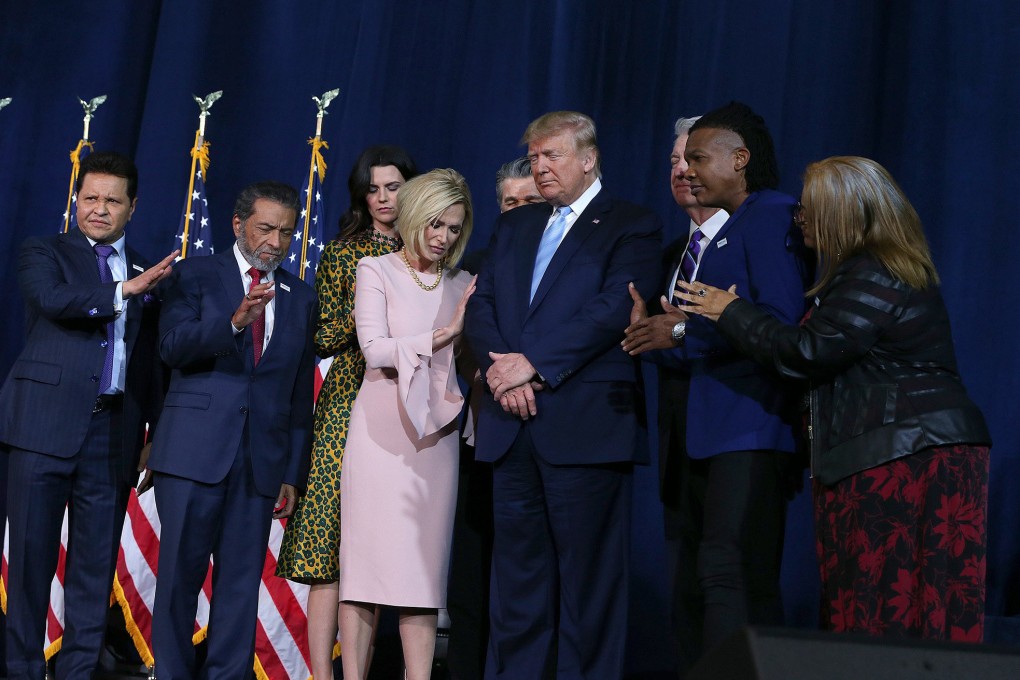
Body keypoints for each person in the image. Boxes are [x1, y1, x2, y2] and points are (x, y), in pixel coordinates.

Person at [674, 156, 991, 642]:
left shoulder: (879, 271)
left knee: (892, 602)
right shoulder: (859, 274)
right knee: (867, 600)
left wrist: (731, 310)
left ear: (842, 213)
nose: (797, 219)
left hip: (909, 455)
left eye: (808, 210)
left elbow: (810, 352)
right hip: (882, 452)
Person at [466, 111, 662, 679]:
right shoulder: (516, 225)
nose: (540, 166)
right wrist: (504, 372)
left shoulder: (632, 223)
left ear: (587, 157)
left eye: (551, 155)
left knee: (589, 587)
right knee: (517, 584)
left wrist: (535, 366)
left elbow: (611, 309)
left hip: (584, 426)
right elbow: (483, 303)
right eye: (534, 157)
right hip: (511, 426)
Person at [623, 101, 810, 670]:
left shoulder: (772, 214)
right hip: (706, 431)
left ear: (740, 159)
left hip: (751, 428)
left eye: (699, 158)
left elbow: (778, 322)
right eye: (683, 160)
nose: (689, 170)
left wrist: (681, 330)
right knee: (705, 575)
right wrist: (656, 338)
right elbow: (703, 338)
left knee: (734, 574)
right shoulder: (710, 243)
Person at [0, 151, 176, 680]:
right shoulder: (45, 251)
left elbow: (156, 362)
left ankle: (78, 672)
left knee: (94, 567)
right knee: (29, 564)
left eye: (112, 200)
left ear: (133, 207)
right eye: (90, 198)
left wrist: (157, 433)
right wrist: (124, 291)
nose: (99, 209)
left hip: (114, 432)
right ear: (77, 200)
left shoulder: (150, 272)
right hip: (41, 429)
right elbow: (54, 301)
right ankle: (22, 669)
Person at [148, 181, 317, 679]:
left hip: (258, 465)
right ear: (238, 224)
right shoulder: (195, 275)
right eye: (266, 228)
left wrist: (291, 470)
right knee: (179, 580)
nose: (276, 241)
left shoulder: (300, 296)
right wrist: (235, 322)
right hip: (193, 455)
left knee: (241, 587)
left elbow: (297, 395)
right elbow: (173, 348)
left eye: (287, 232)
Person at [276, 144, 417, 680]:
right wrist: (372, 317)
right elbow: (327, 336)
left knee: (379, 547)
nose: (383, 198)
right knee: (329, 545)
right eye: (373, 188)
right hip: (350, 397)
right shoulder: (343, 253)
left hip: (410, 402)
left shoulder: (431, 248)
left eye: (394, 186)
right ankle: (321, 675)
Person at [338, 168, 476, 680]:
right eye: (435, 225)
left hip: (436, 441)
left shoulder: (463, 282)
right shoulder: (376, 270)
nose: (443, 238)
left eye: (455, 228)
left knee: (423, 573)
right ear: (414, 217)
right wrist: (445, 336)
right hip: (378, 434)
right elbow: (374, 351)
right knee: (365, 573)